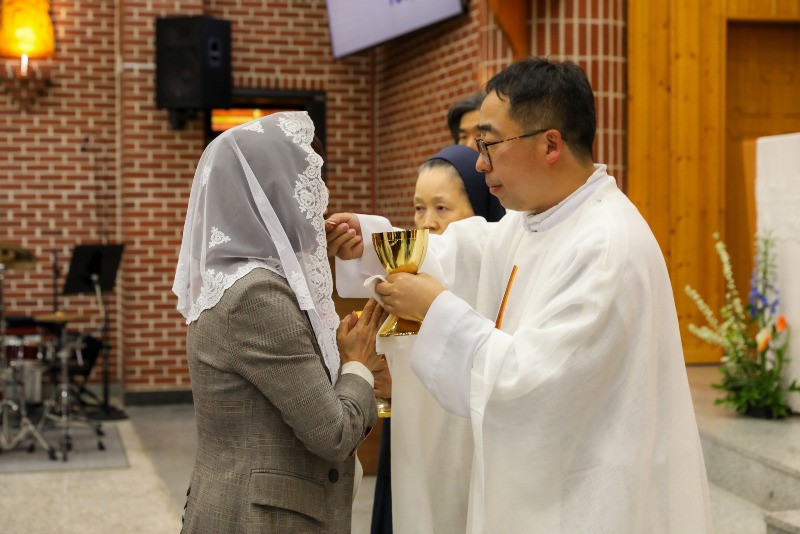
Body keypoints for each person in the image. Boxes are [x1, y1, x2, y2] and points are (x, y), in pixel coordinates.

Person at [327, 57, 712, 533]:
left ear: (550, 143)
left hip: (584, 498)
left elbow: (530, 385)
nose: (480, 162)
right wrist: (371, 244)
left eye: (489, 144)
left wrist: (434, 308)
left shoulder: (605, 246)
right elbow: (466, 253)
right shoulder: (536, 219)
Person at [173, 111, 386, 533]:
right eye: (308, 183)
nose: (321, 199)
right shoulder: (257, 298)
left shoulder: (235, 277)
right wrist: (359, 364)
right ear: (274, 195)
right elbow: (333, 434)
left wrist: (312, 255)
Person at [370, 145, 505, 534]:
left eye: (442, 208)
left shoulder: (496, 277)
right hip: (414, 434)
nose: (426, 223)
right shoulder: (410, 275)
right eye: (418, 208)